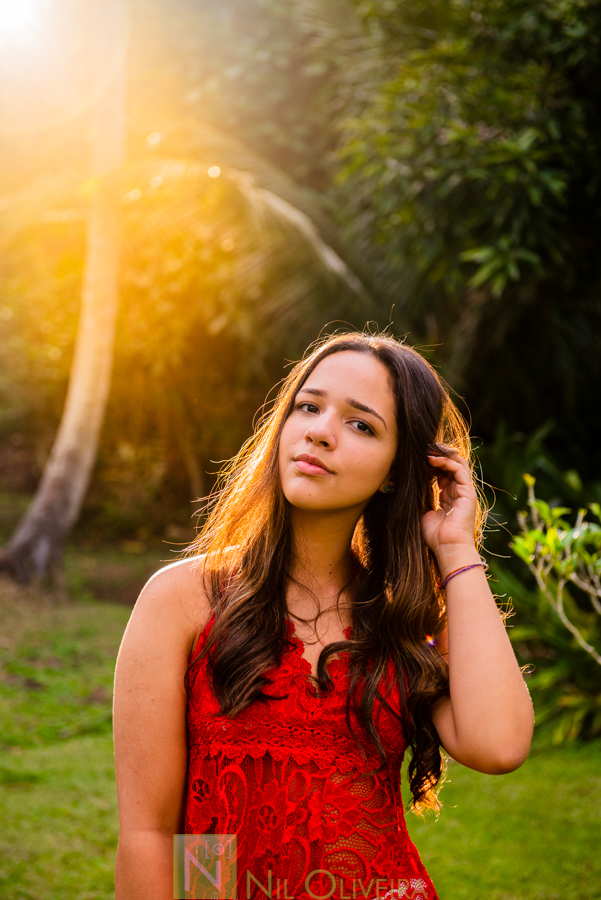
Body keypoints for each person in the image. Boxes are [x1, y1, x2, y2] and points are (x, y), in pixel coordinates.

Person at [113, 332, 534, 900]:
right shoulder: (183, 599)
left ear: (394, 470)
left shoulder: (400, 621)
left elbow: (499, 745)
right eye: (308, 407)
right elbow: (148, 834)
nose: (318, 431)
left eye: (361, 425)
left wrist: (455, 549)